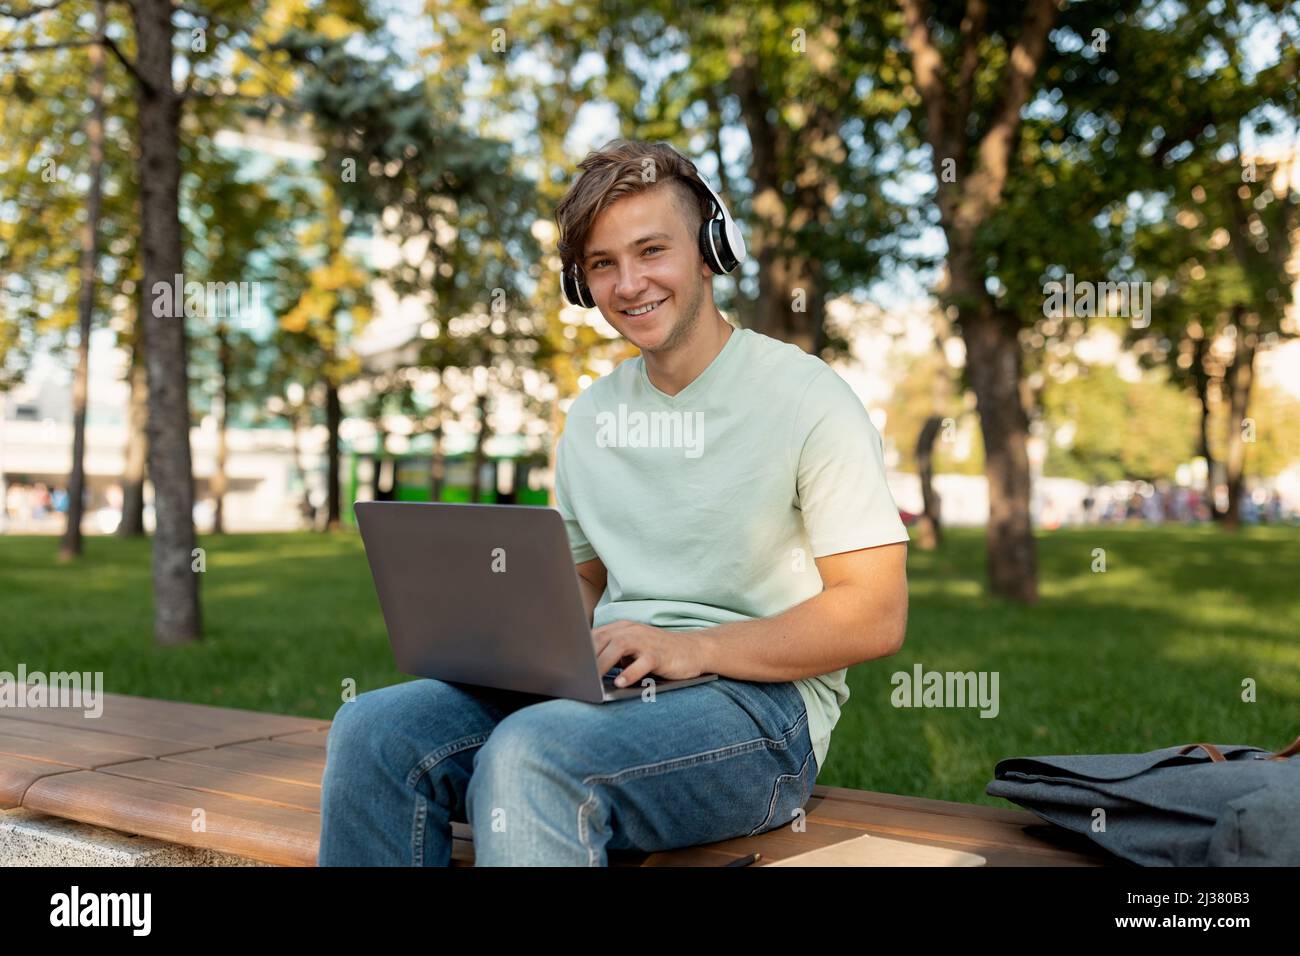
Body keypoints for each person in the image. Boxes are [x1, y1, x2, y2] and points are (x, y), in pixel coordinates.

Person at [318, 139, 911, 866]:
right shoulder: (593, 418)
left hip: (761, 713)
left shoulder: (809, 398)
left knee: (532, 755)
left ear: (709, 251)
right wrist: (516, 641)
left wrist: (694, 648)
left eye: (651, 250)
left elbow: (875, 612)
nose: (630, 284)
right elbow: (584, 576)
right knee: (372, 730)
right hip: (613, 686)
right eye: (603, 264)